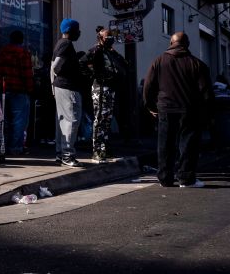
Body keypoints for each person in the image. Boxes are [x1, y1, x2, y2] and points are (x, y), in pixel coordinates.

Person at [143, 32, 213, 188]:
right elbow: (206, 93)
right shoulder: (197, 64)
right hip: (190, 110)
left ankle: (165, 179)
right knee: (188, 145)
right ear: (187, 44)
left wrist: (150, 106)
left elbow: (148, 86)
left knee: (165, 145)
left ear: (171, 43)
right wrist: (207, 115)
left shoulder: (159, 61)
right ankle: (186, 179)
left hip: (166, 109)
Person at [82, 28, 127, 163]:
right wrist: (95, 75)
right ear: (100, 38)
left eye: (111, 37)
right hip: (100, 88)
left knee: (107, 120)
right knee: (99, 119)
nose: (110, 39)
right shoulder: (95, 50)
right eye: (107, 37)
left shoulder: (110, 52)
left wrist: (114, 52)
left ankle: (105, 150)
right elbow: (82, 63)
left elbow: (123, 63)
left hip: (111, 88)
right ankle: (96, 151)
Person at [51, 19, 84, 168]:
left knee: (62, 121)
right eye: (78, 30)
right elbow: (55, 66)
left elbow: (52, 67)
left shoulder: (60, 43)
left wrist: (53, 85)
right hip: (68, 87)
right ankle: (67, 155)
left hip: (60, 87)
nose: (80, 33)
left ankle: (61, 154)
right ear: (72, 31)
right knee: (72, 120)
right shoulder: (66, 44)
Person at [0, 30, 34, 155]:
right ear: (21, 40)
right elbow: (27, 73)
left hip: (4, 90)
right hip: (19, 91)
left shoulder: (2, 52)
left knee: (5, 120)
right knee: (19, 121)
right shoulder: (23, 53)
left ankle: (4, 146)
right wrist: (30, 89)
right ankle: (15, 148)